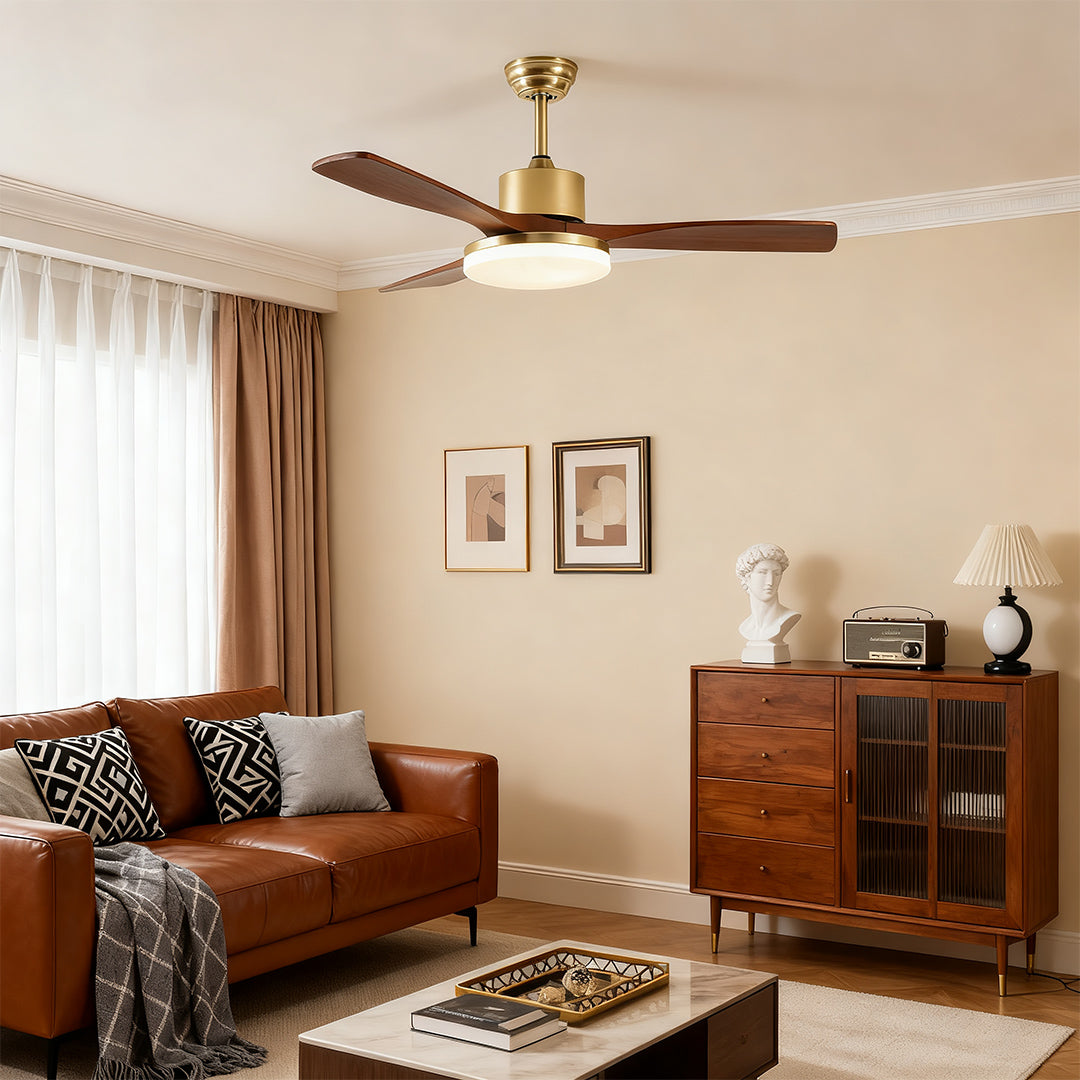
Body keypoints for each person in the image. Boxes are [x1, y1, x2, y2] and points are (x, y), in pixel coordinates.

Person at [736, 543, 800, 663]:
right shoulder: (746, 627)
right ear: (747, 578)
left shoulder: (789, 618)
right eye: (762, 572)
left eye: (776, 574)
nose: (770, 581)